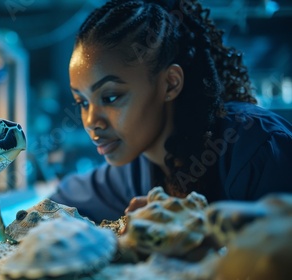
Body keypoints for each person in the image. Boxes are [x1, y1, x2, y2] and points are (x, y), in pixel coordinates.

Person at [50, 0, 292, 223]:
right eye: (82, 102)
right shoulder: (133, 171)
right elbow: (54, 205)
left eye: (111, 97)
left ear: (171, 83)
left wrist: (194, 224)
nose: (91, 121)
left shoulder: (258, 146)